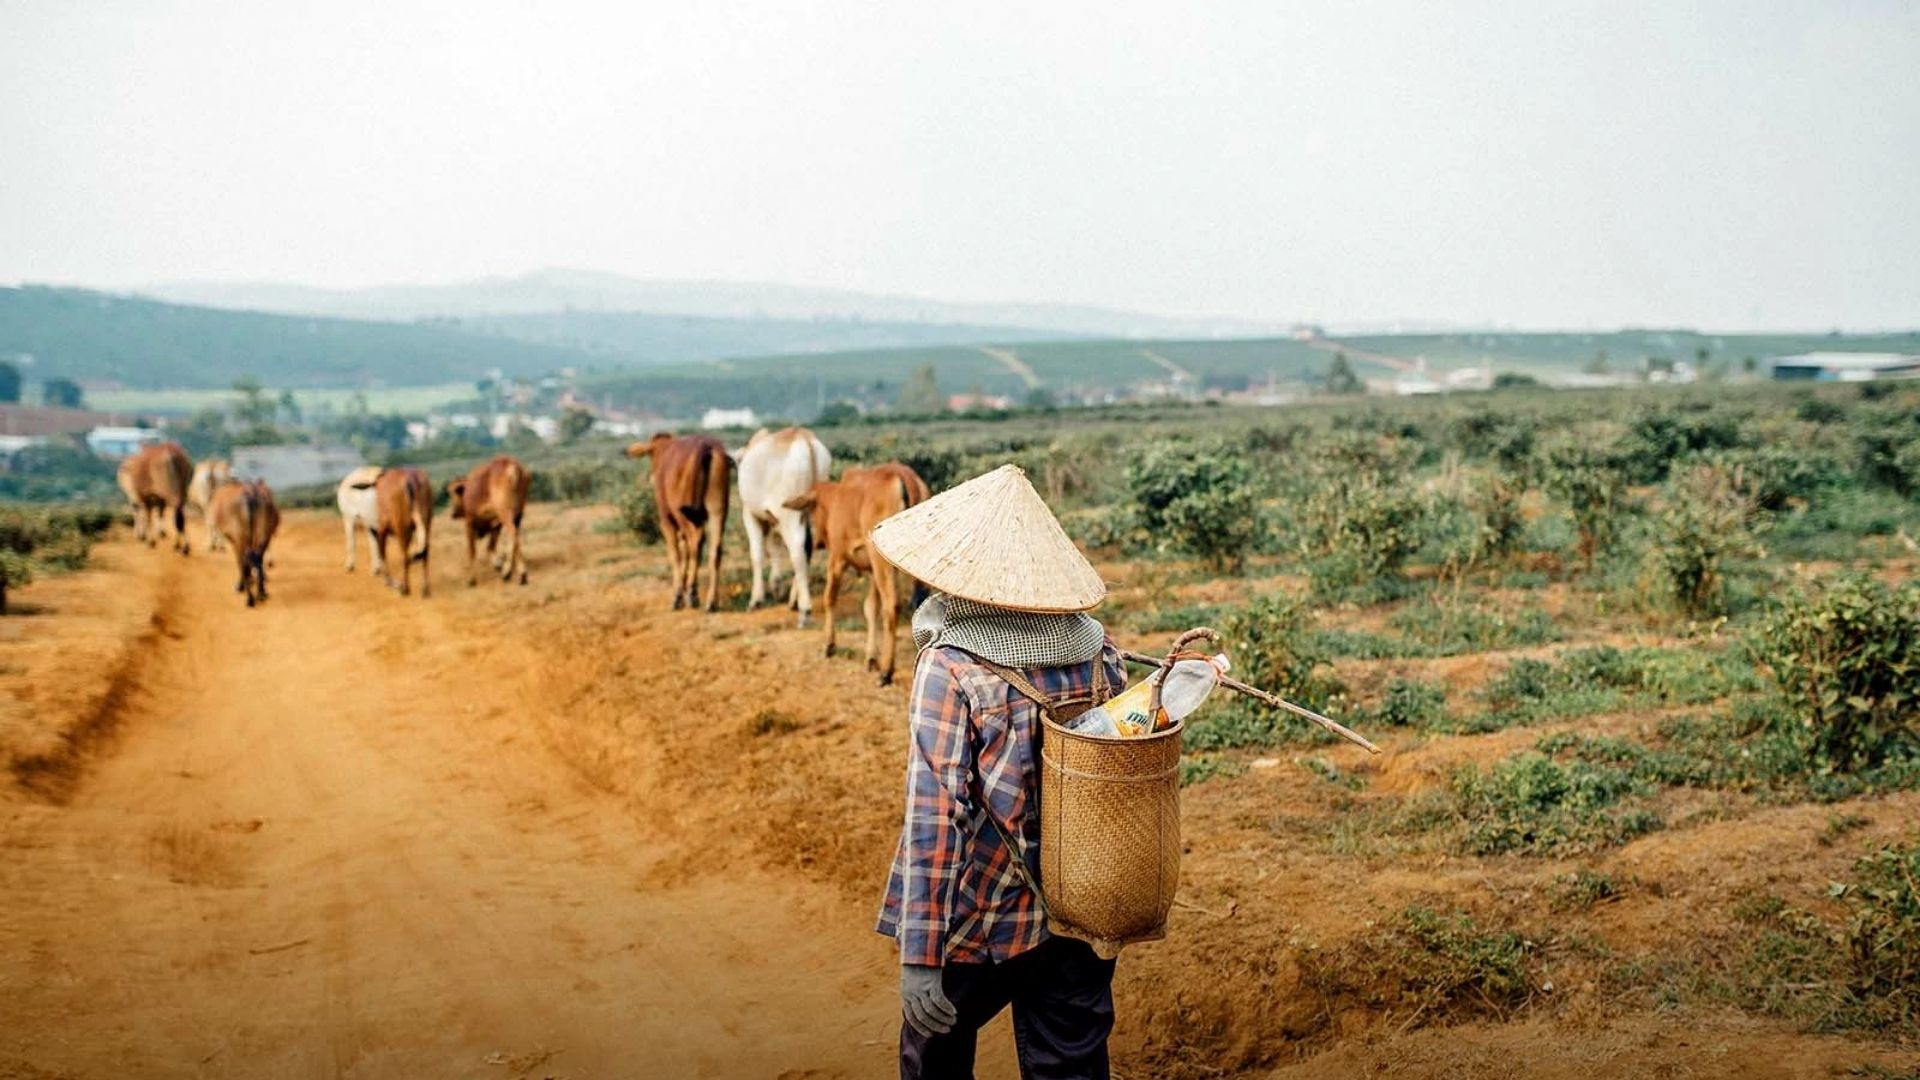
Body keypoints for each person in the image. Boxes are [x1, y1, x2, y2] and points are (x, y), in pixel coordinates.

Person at [868, 464, 1126, 1080]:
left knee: (932, 1056)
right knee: (1071, 1065)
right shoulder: (1098, 651)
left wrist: (920, 955)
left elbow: (935, 817)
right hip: (1083, 903)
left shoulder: (951, 667)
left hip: (987, 913)